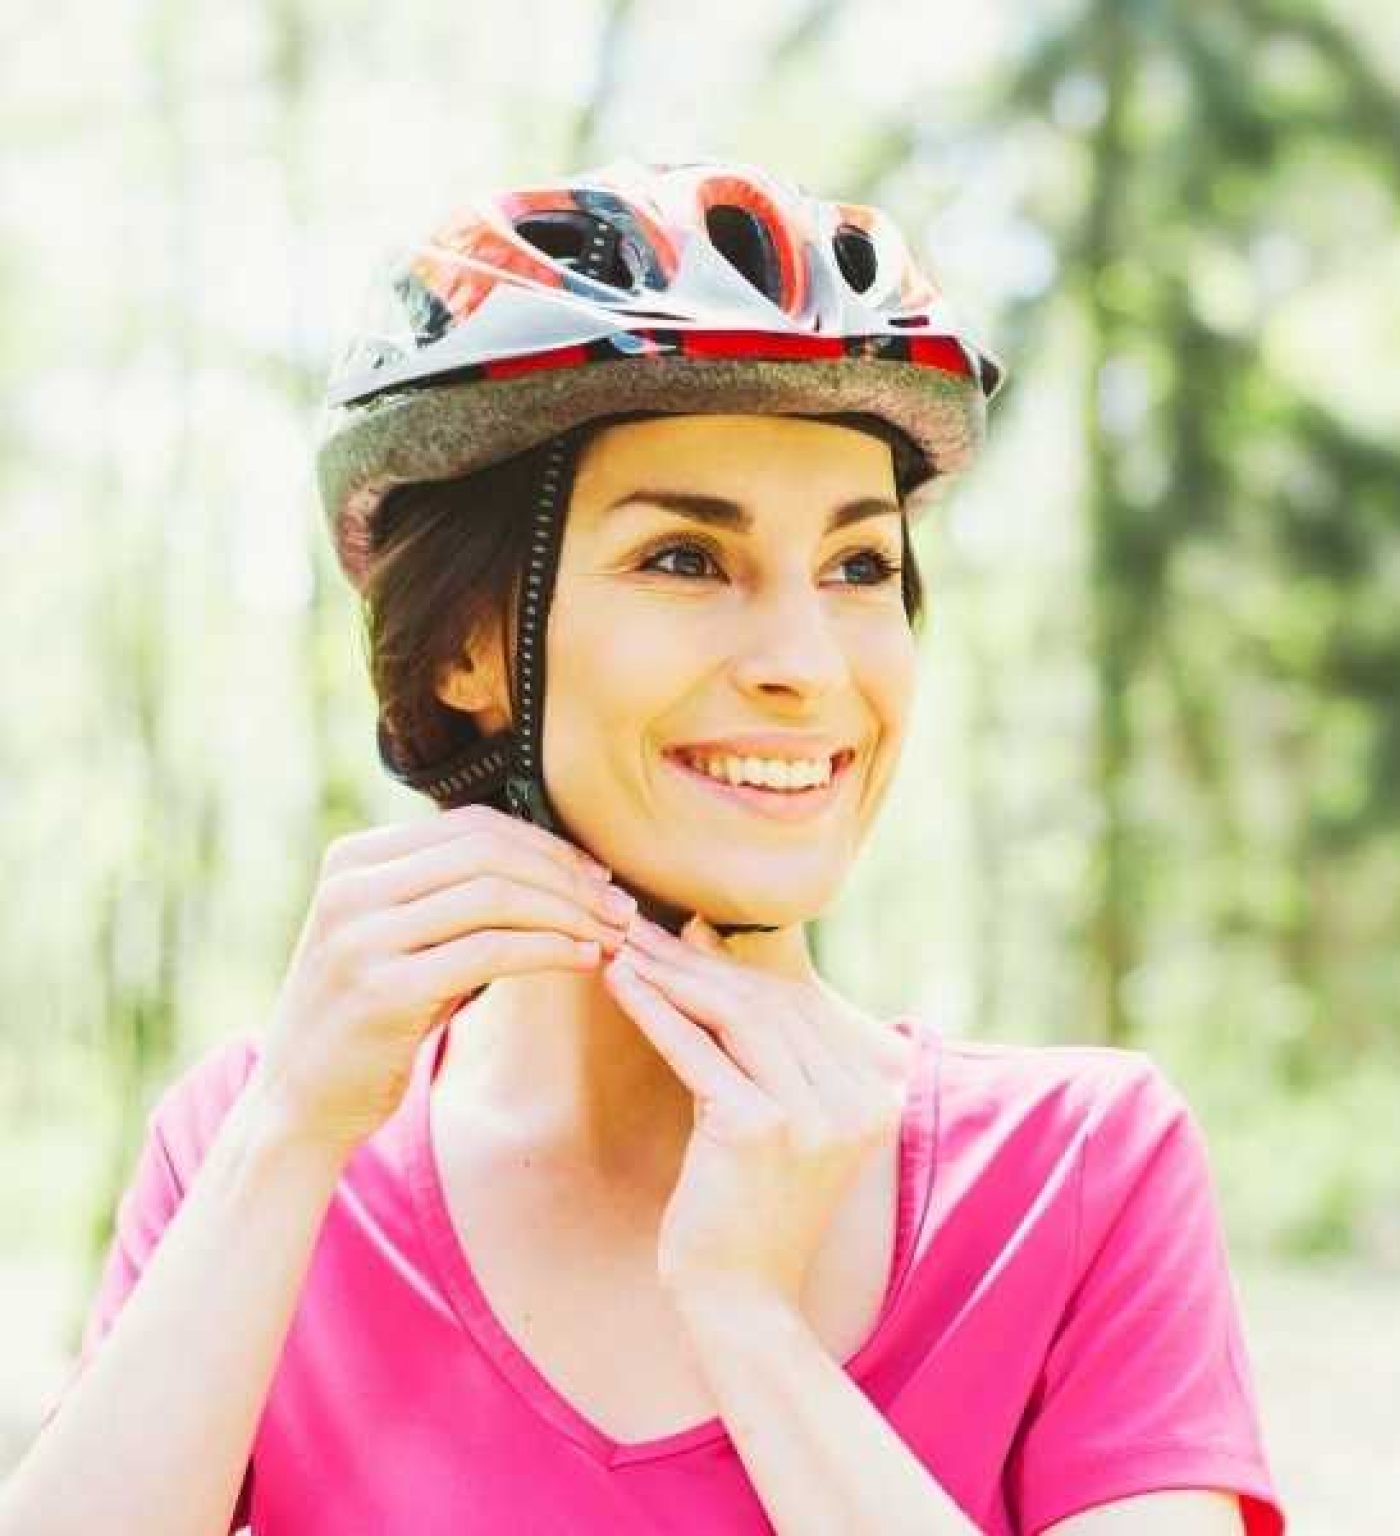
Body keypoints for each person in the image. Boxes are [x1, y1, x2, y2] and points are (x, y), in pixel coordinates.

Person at [4, 159, 1285, 1535]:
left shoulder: (1075, 1169)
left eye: (859, 567)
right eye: (685, 558)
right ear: (463, 651)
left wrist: (753, 1329)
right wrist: (290, 1137)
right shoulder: (263, 1142)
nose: (805, 663)